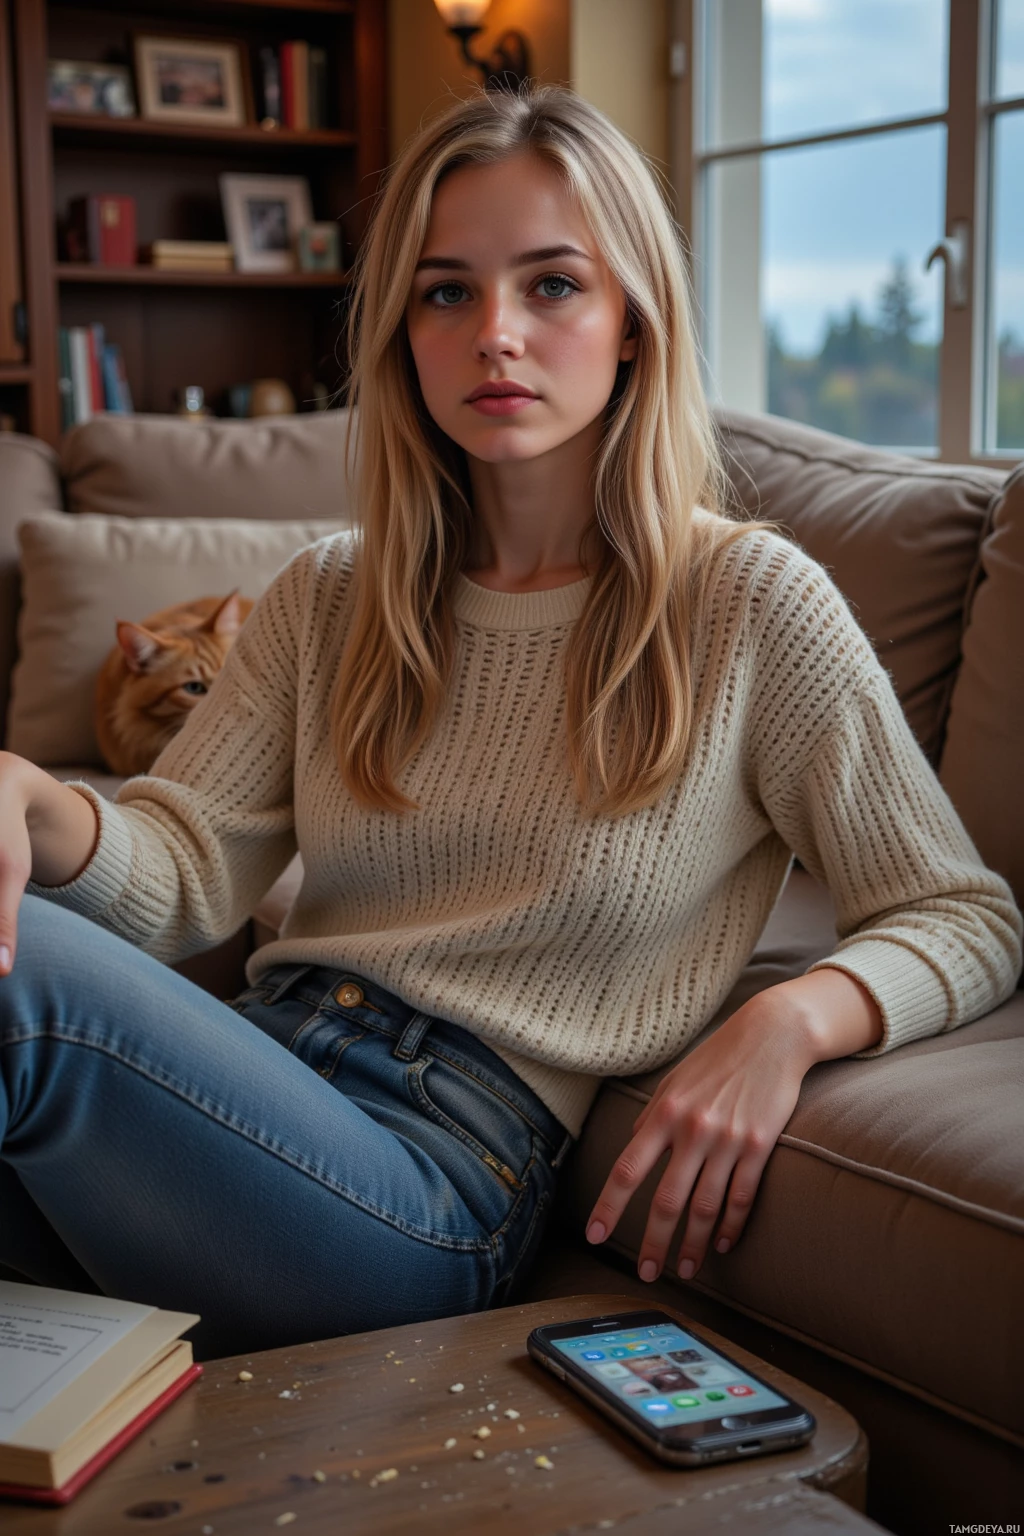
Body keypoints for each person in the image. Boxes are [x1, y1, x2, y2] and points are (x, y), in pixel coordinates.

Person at [0, 85, 1019, 1360]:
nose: (496, 334)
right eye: (445, 292)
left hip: (427, 1185)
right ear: (401, 335)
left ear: (633, 321)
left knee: (18, 985)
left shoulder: (748, 602)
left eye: (551, 285)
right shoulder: (331, 593)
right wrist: (32, 798)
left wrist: (788, 1020)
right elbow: (190, 875)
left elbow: (963, 913)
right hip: (256, 1083)